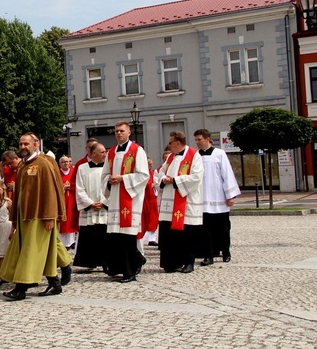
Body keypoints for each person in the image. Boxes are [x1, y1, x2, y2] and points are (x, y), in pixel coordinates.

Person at [0, 132, 72, 300]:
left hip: (39, 215)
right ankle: (55, 283)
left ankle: (21, 288)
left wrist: (49, 216)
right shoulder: (24, 165)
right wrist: (14, 218)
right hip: (24, 215)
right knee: (37, 251)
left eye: (26, 144)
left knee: (31, 252)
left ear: (36, 144)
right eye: (21, 144)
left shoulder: (43, 164)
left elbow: (51, 191)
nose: (23, 147)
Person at [102, 121, 149, 283]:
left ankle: (130, 273)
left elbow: (143, 175)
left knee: (128, 237)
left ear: (129, 132)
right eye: (116, 131)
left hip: (130, 199)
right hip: (115, 199)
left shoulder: (137, 151)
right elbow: (104, 174)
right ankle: (120, 267)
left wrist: (122, 179)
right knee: (116, 237)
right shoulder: (112, 152)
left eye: (121, 131)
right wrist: (109, 181)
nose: (118, 133)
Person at [158, 131, 204, 274]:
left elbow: (197, 177)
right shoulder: (171, 157)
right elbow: (161, 172)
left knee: (187, 235)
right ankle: (171, 263)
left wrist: (175, 180)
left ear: (178, 143)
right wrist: (163, 179)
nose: (169, 145)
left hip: (186, 201)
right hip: (169, 202)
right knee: (170, 234)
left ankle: (188, 262)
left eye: (171, 142)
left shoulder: (194, 155)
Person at [194, 129, 240, 265]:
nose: (197, 142)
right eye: (196, 140)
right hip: (202, 199)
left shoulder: (219, 154)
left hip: (219, 197)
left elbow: (227, 174)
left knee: (223, 229)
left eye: (199, 139)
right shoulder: (195, 156)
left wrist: (230, 195)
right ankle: (208, 255)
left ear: (207, 139)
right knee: (205, 230)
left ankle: (226, 252)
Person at [73, 142, 108, 271]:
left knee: (105, 236)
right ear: (94, 153)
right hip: (89, 208)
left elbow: (112, 187)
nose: (105, 154)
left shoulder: (110, 168)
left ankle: (106, 262)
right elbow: (79, 188)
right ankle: (89, 262)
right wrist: (90, 203)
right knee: (89, 235)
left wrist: (104, 202)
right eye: (103, 152)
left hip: (104, 208)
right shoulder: (82, 168)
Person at [58, 155, 80, 249]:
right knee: (63, 220)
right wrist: (63, 188)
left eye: (68, 162)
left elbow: (78, 184)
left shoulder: (73, 172)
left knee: (71, 219)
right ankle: (63, 242)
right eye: (64, 162)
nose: (67, 164)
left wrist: (71, 187)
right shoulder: (57, 173)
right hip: (62, 200)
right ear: (60, 164)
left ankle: (71, 242)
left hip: (72, 199)